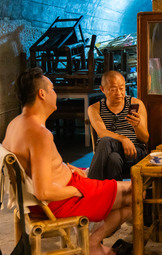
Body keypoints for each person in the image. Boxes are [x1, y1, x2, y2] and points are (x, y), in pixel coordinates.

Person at [2, 67, 131, 255]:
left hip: (57, 191)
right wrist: (78, 190)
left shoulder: (16, 123)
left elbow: (37, 167)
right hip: (61, 200)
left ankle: (92, 242)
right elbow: (43, 191)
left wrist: (66, 168)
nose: (55, 93)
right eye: (52, 89)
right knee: (135, 192)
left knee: (124, 189)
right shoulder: (39, 134)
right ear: (42, 94)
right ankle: (92, 243)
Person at [87, 71, 149, 181]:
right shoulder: (94, 108)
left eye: (122, 88)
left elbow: (145, 139)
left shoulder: (136, 103)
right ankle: (115, 195)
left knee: (105, 141)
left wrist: (137, 125)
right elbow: (101, 132)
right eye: (113, 89)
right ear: (102, 89)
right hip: (110, 154)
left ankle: (90, 184)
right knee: (113, 159)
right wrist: (123, 139)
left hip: (135, 152)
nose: (119, 93)